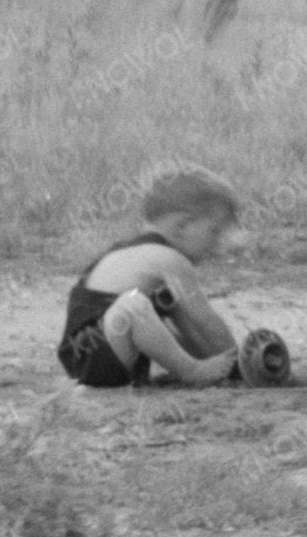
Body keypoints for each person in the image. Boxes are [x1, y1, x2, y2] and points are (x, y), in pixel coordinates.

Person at [60, 166, 287, 392]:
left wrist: (225, 362)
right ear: (182, 226)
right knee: (134, 306)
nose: (218, 245)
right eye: (214, 232)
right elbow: (205, 320)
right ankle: (192, 371)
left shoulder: (139, 254)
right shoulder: (168, 258)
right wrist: (241, 358)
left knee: (169, 305)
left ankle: (204, 366)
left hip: (105, 351)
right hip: (91, 351)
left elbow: (190, 326)